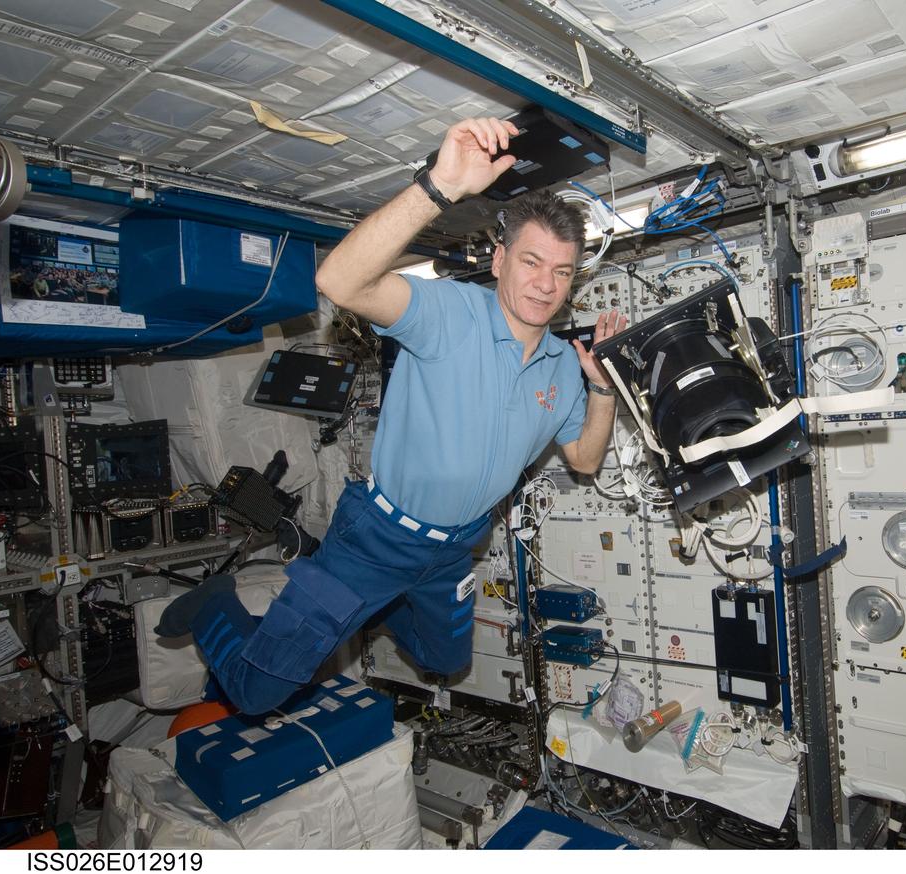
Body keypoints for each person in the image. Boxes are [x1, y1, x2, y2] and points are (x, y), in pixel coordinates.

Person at [156, 117, 627, 714]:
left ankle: (376, 604)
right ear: (500, 258)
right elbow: (339, 279)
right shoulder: (449, 312)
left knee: (444, 661)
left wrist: (603, 389)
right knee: (255, 693)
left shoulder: (562, 366)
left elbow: (585, 459)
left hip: (455, 549)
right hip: (376, 541)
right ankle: (214, 604)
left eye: (561, 272)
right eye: (532, 262)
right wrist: (440, 188)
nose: (545, 284)